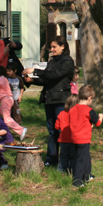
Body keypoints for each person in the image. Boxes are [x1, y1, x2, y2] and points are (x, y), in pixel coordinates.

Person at [23, 36, 75, 167]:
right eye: (50, 48)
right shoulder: (52, 61)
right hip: (49, 99)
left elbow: (54, 75)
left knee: (62, 130)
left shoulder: (68, 61)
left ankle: (64, 159)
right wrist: (32, 80)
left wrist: (35, 71)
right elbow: (47, 79)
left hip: (61, 100)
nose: (51, 50)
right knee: (52, 131)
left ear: (63, 46)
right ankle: (51, 158)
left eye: (54, 47)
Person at [69, 85, 103, 187]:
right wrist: (100, 117)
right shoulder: (89, 111)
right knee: (81, 159)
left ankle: (87, 175)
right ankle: (77, 180)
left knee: (86, 156)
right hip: (83, 139)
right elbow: (97, 123)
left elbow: (76, 121)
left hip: (74, 137)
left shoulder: (72, 109)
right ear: (89, 98)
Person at [0, 66, 28, 140]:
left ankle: (21, 130)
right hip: (9, 99)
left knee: (7, 119)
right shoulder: (4, 79)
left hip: (5, 100)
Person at [0, 25, 23, 90]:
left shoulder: (4, 43)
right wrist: (4, 52)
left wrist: (15, 45)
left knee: (6, 93)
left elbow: (20, 46)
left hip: (5, 73)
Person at [56, 94, 80, 174]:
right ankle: (73, 170)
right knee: (73, 156)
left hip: (63, 139)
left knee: (63, 156)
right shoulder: (77, 115)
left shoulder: (62, 113)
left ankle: (61, 171)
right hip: (74, 139)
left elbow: (56, 126)